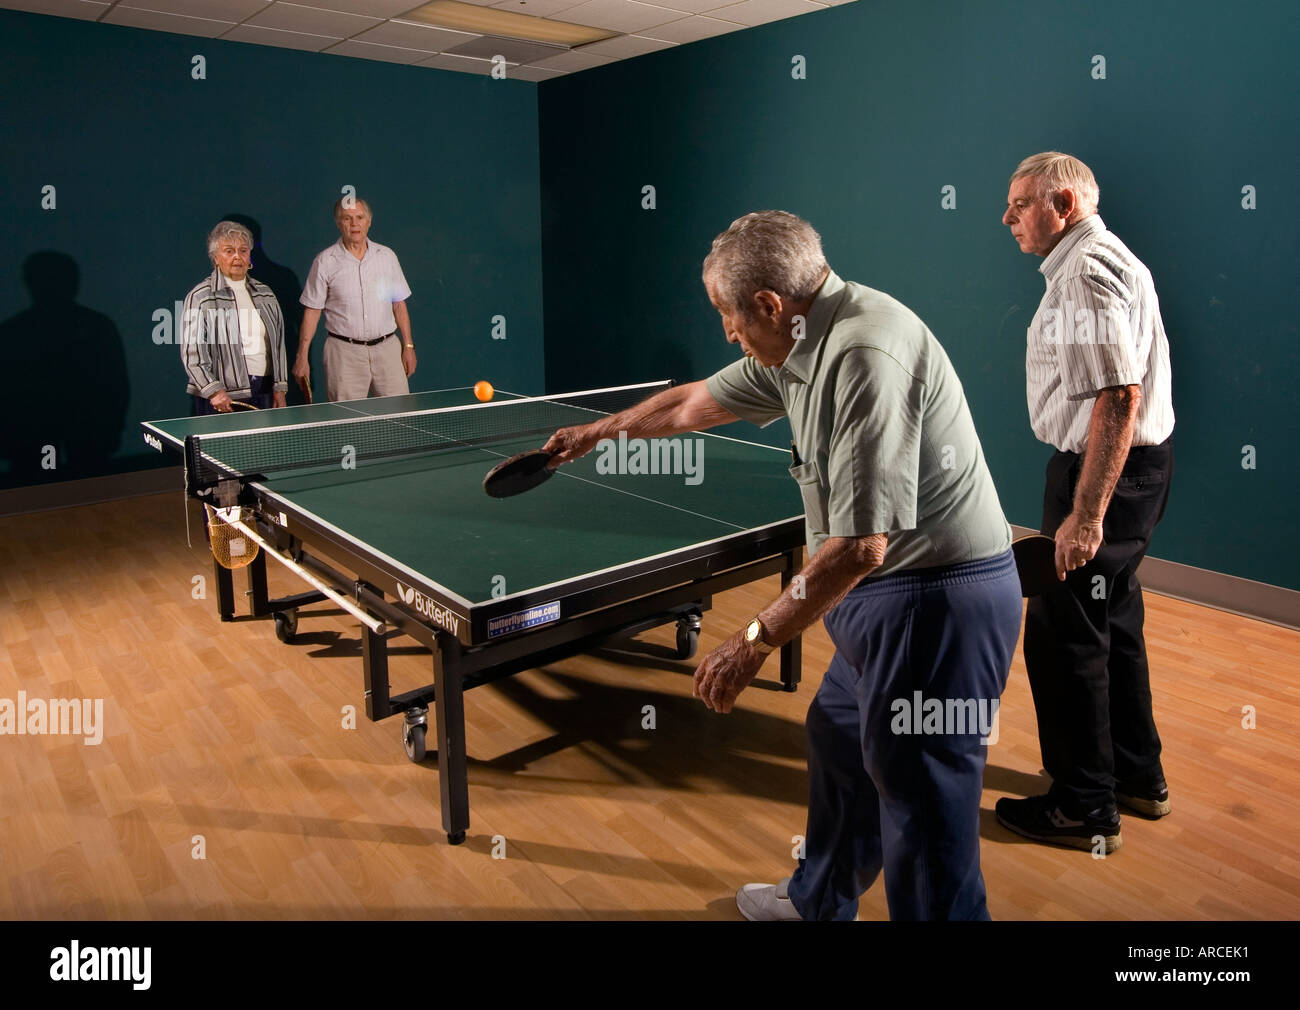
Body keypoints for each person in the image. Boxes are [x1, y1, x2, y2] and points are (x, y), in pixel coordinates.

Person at [543, 211, 1021, 921]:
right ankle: (818, 901)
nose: (726, 333)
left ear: (768, 304)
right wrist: (598, 431)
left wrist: (753, 640)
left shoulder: (863, 353)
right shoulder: (799, 344)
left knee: (923, 805)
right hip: (877, 597)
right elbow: (692, 403)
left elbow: (862, 545)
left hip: (933, 603)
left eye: (727, 317)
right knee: (837, 740)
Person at [995, 152, 1175, 854]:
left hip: (1102, 472)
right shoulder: (1108, 258)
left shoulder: (1086, 272)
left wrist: (1087, 513)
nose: (1006, 218)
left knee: (1064, 630)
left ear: (1062, 204)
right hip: (1133, 468)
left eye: (1019, 204)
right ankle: (1136, 777)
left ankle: (1083, 807)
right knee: (1114, 618)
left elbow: (1119, 395)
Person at [294, 198, 416, 402]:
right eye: (347, 218)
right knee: (347, 424)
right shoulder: (325, 261)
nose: (354, 224)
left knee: (398, 421)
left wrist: (409, 346)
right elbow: (313, 311)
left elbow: (398, 304)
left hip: (388, 351)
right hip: (343, 354)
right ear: (338, 223)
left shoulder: (386, 256)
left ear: (369, 221)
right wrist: (302, 356)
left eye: (359, 218)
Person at [181, 221, 288, 414]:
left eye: (243, 250)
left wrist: (280, 388)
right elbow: (192, 355)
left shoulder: (266, 294)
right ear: (215, 258)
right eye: (229, 251)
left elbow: (278, 345)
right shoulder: (200, 297)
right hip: (222, 397)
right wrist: (214, 391)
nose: (237, 257)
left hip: (264, 390)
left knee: (263, 445)